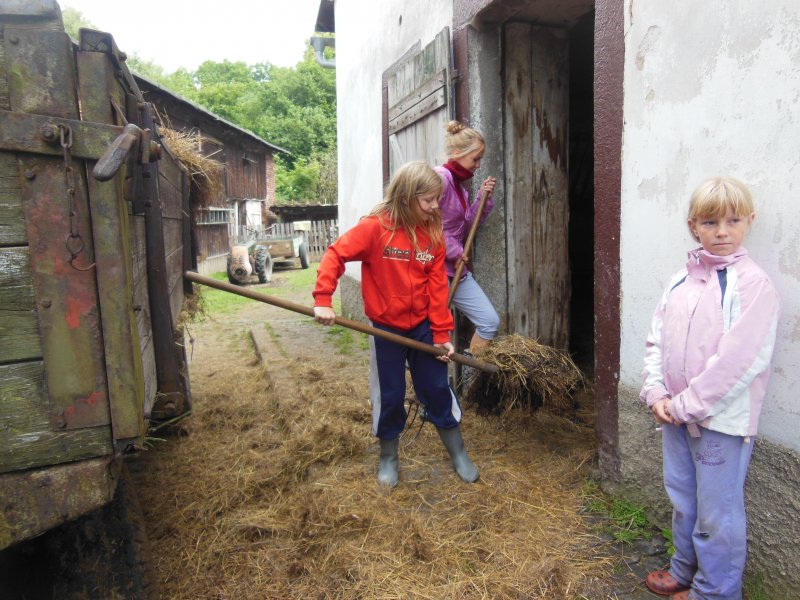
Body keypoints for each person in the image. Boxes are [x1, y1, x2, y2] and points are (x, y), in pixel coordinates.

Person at [639, 176, 780, 600]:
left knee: (718, 512)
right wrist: (656, 393)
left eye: (733, 221)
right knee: (684, 498)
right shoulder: (679, 282)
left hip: (721, 424)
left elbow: (739, 361)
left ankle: (716, 590)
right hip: (674, 416)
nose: (722, 232)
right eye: (710, 222)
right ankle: (684, 569)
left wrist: (686, 404)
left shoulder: (752, 285)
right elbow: (657, 340)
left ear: (749, 221)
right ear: (693, 227)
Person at [312, 160, 479, 488]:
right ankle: (388, 456)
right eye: (428, 200)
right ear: (406, 198)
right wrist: (323, 299)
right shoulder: (376, 229)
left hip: (423, 328)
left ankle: (458, 452)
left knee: (437, 389)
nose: (435, 207)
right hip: (385, 330)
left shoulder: (432, 235)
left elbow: (437, 289)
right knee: (390, 394)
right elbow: (335, 254)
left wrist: (441, 333)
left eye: (437, 199)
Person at [435, 120, 499, 354]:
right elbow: (424, 225)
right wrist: (454, 250)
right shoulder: (439, 179)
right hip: (433, 270)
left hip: (456, 269)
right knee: (430, 335)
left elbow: (466, 229)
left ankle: (472, 372)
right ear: (457, 153)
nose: (478, 165)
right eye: (476, 158)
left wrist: (482, 198)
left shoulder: (460, 188)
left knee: (489, 322)